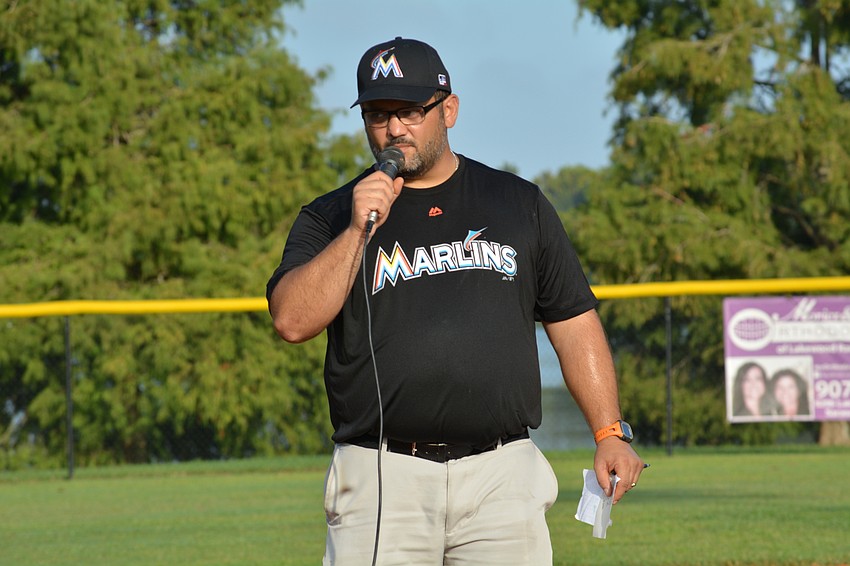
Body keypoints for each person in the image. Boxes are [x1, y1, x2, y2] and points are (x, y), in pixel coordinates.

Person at [267, 37, 644, 565]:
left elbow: (573, 321)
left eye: (410, 111)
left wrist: (609, 432)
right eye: (377, 114)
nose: (394, 129)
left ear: (449, 109)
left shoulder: (517, 204)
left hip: (501, 474)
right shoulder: (332, 216)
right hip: (382, 477)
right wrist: (356, 230)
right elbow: (291, 320)